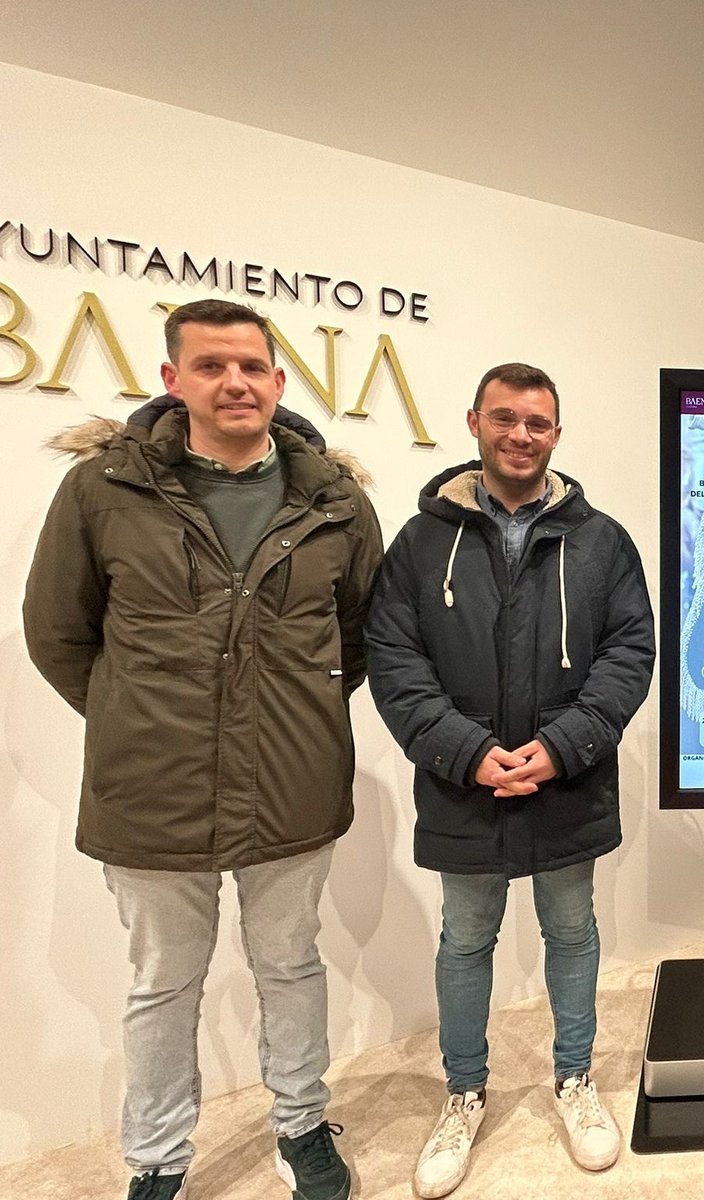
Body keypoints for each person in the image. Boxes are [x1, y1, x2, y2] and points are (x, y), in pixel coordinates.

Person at [22, 299, 383, 1200]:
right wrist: (132, 715)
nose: (236, 382)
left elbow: (362, 636)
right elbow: (58, 634)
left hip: (294, 788)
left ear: (278, 381)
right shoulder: (103, 490)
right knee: (161, 984)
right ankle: (158, 1158)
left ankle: (302, 1126)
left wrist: (285, 712)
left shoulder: (336, 501)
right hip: (151, 791)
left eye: (252, 366)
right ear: (173, 379)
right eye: (213, 366)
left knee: (292, 967)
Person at [365, 363, 654, 1194]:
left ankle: (573, 1079)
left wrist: (564, 745)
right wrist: (462, 749)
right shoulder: (422, 542)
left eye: (537, 422)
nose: (520, 435)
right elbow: (393, 656)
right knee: (466, 937)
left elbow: (630, 652)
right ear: (474, 423)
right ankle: (464, 1092)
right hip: (465, 783)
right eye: (505, 418)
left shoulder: (602, 541)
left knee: (571, 929)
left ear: (557, 433)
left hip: (570, 778)